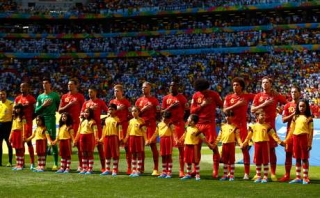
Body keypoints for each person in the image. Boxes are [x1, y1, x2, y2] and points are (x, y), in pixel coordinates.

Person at [251, 76, 287, 181]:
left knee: (271, 150)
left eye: (267, 82)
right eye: (263, 82)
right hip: (259, 126)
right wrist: (264, 104)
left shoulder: (275, 95)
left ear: (271, 84)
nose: (265, 84)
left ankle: (273, 173)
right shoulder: (258, 96)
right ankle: (258, 174)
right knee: (258, 149)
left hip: (270, 126)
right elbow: (253, 109)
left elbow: (287, 103)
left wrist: (280, 110)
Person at [190, 78, 223, 178]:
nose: (202, 92)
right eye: (200, 90)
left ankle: (215, 171)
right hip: (198, 124)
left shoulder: (214, 94)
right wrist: (202, 105)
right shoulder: (196, 96)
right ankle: (195, 170)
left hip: (210, 124)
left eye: (203, 90)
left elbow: (222, 105)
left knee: (213, 146)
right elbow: (192, 111)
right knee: (196, 147)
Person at [223, 77, 255, 179]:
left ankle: (246, 173)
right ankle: (229, 172)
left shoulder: (247, 96)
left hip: (242, 127)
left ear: (241, 87)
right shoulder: (228, 97)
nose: (235, 87)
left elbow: (259, 97)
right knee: (228, 150)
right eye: (233, 85)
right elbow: (224, 110)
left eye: (237, 85)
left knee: (244, 149)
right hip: (231, 127)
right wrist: (237, 105)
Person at [242, 109, 284, 183]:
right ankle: (258, 176)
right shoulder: (253, 126)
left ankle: (265, 176)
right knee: (258, 161)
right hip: (257, 145)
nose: (264, 117)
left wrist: (279, 142)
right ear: (257, 116)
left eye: (264, 115)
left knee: (265, 161)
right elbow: (248, 137)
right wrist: (244, 143)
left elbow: (274, 135)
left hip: (265, 145)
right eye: (262, 115)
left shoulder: (267, 126)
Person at [161, 81, 189, 177]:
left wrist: (184, 119)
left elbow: (187, 110)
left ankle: (182, 170)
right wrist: (171, 106)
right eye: (170, 85)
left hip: (179, 125)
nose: (172, 87)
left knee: (181, 148)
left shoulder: (182, 98)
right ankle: (167, 170)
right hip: (168, 125)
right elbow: (162, 112)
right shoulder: (166, 98)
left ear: (177, 87)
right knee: (167, 150)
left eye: (174, 85)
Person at [284, 99, 313, 185]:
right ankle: (298, 177)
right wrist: (286, 141)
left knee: (304, 158)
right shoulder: (295, 117)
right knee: (297, 158)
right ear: (298, 107)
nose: (302, 108)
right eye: (300, 106)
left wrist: (309, 143)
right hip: (295, 139)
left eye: (304, 106)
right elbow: (291, 130)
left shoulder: (309, 118)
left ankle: (305, 177)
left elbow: (311, 132)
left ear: (307, 107)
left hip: (304, 138)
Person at [58, 79, 85, 171]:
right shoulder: (64, 96)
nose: (69, 86)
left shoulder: (80, 96)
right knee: (65, 145)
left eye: (71, 84)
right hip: (66, 124)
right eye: (68, 84)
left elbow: (84, 110)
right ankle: (64, 166)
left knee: (78, 144)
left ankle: (81, 165)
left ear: (76, 85)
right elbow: (60, 110)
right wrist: (69, 105)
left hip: (76, 123)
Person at [35, 77, 60, 170]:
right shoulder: (40, 97)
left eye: (46, 83)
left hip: (50, 120)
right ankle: (42, 165)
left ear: (50, 84)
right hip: (41, 120)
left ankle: (55, 164)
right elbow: (36, 110)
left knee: (52, 141)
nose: (44, 85)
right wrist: (43, 105)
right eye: (43, 83)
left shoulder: (55, 96)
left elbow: (58, 107)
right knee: (42, 142)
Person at [135, 81, 160, 175]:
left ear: (150, 88)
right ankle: (141, 168)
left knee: (153, 146)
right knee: (140, 148)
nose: (143, 89)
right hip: (141, 125)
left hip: (151, 125)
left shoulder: (154, 100)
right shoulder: (138, 100)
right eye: (142, 87)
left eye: (145, 87)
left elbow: (158, 113)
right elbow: (136, 114)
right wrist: (143, 109)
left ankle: (156, 169)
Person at [81, 86, 108, 173]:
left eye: (91, 92)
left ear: (95, 92)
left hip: (97, 127)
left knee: (100, 147)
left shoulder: (100, 102)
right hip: (87, 127)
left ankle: (103, 167)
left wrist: (102, 120)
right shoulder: (86, 103)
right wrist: (87, 111)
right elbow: (81, 113)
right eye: (89, 92)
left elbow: (108, 111)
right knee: (86, 149)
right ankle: (86, 167)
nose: (90, 93)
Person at [181, 114, 214, 181]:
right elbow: (184, 135)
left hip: (194, 147)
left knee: (196, 161)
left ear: (192, 121)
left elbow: (203, 138)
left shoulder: (197, 130)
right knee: (188, 161)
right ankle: (188, 174)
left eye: (189, 118)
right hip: (187, 146)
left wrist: (209, 145)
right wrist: (179, 140)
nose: (187, 119)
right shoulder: (187, 128)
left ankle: (197, 175)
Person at [213, 110, 243, 181]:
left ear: (232, 117)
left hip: (231, 145)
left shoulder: (235, 127)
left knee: (231, 161)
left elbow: (238, 137)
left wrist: (241, 143)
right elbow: (219, 137)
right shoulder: (222, 127)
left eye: (229, 116)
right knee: (225, 161)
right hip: (224, 145)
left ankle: (232, 175)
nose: (227, 117)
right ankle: (225, 175)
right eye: (226, 116)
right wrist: (214, 144)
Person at [280, 85, 301, 182]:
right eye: (292, 92)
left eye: (295, 92)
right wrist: (293, 114)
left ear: (299, 93)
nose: (293, 94)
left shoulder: (303, 104)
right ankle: (287, 175)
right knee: (288, 154)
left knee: (300, 155)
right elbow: (283, 120)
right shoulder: (287, 105)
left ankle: (300, 176)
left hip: (301, 133)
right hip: (290, 134)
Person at [109, 84, 132, 174]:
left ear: (122, 92)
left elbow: (131, 112)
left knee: (127, 147)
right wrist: (117, 109)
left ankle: (129, 168)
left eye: (117, 90)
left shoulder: (126, 102)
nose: (115, 92)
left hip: (124, 125)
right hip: (115, 126)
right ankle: (115, 168)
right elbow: (109, 113)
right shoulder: (112, 101)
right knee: (115, 148)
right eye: (114, 90)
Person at [147, 111, 177, 179]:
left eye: (167, 119)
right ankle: (164, 171)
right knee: (163, 155)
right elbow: (155, 133)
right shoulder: (159, 124)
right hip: (162, 140)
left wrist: (176, 140)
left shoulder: (170, 124)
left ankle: (169, 172)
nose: (165, 120)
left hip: (168, 139)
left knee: (168, 155)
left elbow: (174, 132)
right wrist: (150, 140)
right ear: (162, 117)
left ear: (169, 119)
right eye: (164, 118)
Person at [14, 82, 36, 169]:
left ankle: (32, 163)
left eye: (23, 87)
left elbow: (36, 111)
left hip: (27, 124)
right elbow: (14, 111)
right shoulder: (17, 98)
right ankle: (21, 164)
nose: (22, 88)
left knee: (28, 141)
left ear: (28, 88)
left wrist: (29, 119)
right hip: (19, 124)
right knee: (20, 143)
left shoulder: (31, 99)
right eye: (21, 87)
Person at [123, 106, 147, 177]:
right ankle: (134, 170)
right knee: (133, 154)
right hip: (131, 138)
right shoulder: (130, 121)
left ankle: (138, 170)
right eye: (132, 111)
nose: (133, 112)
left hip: (139, 138)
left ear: (139, 112)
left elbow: (144, 131)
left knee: (139, 154)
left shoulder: (142, 120)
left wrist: (146, 140)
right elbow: (128, 131)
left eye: (135, 111)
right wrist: (125, 139)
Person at [100, 104, 123, 176]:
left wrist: (120, 137)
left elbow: (120, 129)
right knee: (106, 154)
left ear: (115, 111)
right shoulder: (106, 119)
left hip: (114, 137)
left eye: (112, 109)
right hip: (106, 137)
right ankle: (107, 169)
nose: (110, 111)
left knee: (115, 154)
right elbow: (103, 129)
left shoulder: (117, 119)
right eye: (109, 109)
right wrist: (102, 138)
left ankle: (115, 170)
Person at [74, 107, 98, 175]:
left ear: (91, 113)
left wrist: (96, 139)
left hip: (89, 138)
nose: (85, 113)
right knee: (83, 153)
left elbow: (95, 131)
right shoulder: (82, 122)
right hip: (82, 138)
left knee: (89, 153)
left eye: (87, 112)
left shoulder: (93, 122)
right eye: (84, 112)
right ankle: (84, 168)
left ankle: (90, 169)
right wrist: (75, 140)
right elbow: (78, 131)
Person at [9, 104, 26, 171]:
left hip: (20, 133)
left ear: (21, 109)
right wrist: (10, 136)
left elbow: (25, 127)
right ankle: (17, 164)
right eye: (16, 108)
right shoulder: (14, 117)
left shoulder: (23, 117)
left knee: (20, 150)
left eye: (18, 108)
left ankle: (21, 165)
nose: (17, 110)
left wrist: (23, 135)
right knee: (16, 149)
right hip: (14, 134)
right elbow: (12, 127)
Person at [0, 89, 13, 167]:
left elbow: (13, 115)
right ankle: (0, 162)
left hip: (8, 125)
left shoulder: (11, 104)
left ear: (6, 95)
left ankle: (10, 161)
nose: (1, 96)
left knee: (9, 144)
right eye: (0, 94)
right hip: (0, 125)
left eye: (3, 94)